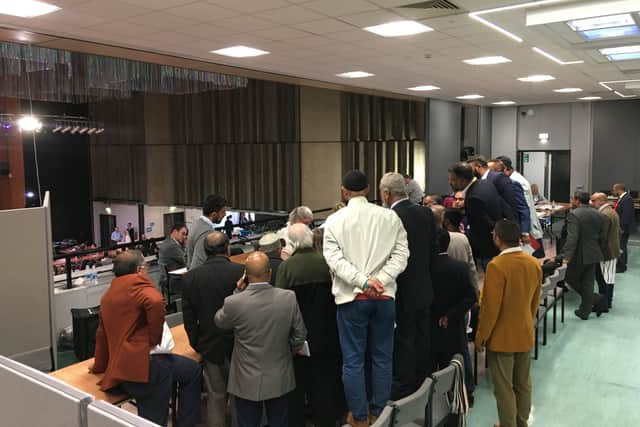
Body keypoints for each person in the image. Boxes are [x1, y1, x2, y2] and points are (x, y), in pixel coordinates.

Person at [323, 170, 409, 427]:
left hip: (351, 299)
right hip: (384, 297)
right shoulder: (390, 217)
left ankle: (359, 417)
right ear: (369, 189)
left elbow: (334, 260)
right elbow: (402, 254)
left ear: (343, 191)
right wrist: (379, 280)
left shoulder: (335, 220)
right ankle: (380, 413)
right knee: (383, 358)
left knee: (353, 361)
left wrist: (362, 282)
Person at [92, 251, 201, 427]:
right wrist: (154, 338)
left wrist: (99, 366)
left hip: (123, 370)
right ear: (139, 269)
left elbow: (102, 336)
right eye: (146, 266)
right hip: (148, 368)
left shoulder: (107, 297)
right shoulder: (139, 286)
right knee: (154, 421)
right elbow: (156, 301)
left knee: (192, 370)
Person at [215, 252, 307, 427]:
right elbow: (300, 334)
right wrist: (289, 351)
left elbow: (219, 321)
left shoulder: (234, 302)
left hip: (245, 379)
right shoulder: (288, 297)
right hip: (280, 374)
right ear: (270, 273)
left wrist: (237, 290)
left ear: (246, 276)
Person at [475, 220, 542, 427]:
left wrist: (481, 337)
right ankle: (521, 422)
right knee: (523, 384)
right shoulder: (533, 263)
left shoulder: (497, 266)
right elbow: (535, 301)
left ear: (497, 238)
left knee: (504, 387)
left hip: (502, 337)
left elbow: (490, 308)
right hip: (525, 332)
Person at [275, 224, 343, 427]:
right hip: (328, 334)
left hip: (298, 339)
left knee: (297, 385)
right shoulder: (327, 262)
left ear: (291, 243)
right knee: (324, 383)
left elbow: (281, 304)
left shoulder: (287, 268)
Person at [379, 172, 436, 399]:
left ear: (386, 193)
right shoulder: (425, 213)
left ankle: (404, 392)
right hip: (424, 287)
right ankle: (424, 385)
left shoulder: (388, 219)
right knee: (422, 338)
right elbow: (432, 252)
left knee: (403, 342)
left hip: (400, 289)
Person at [182, 231, 244, 427]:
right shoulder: (241, 272)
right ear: (227, 248)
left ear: (204, 250)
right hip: (239, 345)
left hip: (209, 346)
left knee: (215, 398)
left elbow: (189, 320)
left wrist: (198, 345)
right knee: (239, 397)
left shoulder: (190, 278)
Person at [431, 229, 477, 400]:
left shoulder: (423, 268)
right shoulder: (459, 267)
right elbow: (470, 296)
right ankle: (464, 394)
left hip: (429, 325)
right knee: (458, 357)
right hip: (453, 323)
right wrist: (451, 315)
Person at [448, 162, 511, 270]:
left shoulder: (473, 198)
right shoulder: (486, 183)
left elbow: (483, 226)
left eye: (453, 180)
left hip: (487, 248)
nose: (450, 182)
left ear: (462, 180)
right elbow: (504, 207)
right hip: (499, 242)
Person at [556, 191, 607, 320]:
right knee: (588, 283)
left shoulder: (574, 215)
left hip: (579, 255)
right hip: (594, 253)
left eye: (573, 199)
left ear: (578, 201)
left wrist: (566, 256)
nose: (572, 202)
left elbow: (572, 238)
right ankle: (585, 311)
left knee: (569, 278)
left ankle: (595, 298)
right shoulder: (598, 214)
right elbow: (602, 235)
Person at [469, 155, 530, 244]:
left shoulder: (501, 179)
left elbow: (512, 207)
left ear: (478, 167)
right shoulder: (478, 182)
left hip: (503, 232)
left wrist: (522, 231)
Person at [493, 156, 545, 257]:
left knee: (528, 255)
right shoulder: (515, 178)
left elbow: (523, 208)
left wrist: (524, 231)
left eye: (496, 171)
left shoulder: (514, 182)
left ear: (506, 169)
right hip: (525, 225)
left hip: (524, 226)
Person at [590, 192, 620, 310]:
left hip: (606, 252)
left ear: (601, 201)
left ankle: (603, 305)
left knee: (604, 279)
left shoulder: (604, 215)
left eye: (593, 201)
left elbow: (602, 237)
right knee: (609, 278)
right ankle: (607, 302)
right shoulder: (611, 211)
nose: (591, 203)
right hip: (612, 250)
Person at [188, 194, 227, 269]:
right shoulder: (206, 232)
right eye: (223, 212)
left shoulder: (196, 224)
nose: (225, 215)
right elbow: (199, 263)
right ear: (214, 214)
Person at [443, 208, 478, 293]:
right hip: (465, 286)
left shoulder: (441, 239)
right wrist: (476, 290)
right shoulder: (464, 238)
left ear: (446, 222)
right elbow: (472, 267)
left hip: (446, 287)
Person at [157, 223, 188, 292]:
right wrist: (186, 246)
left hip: (167, 277)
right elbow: (185, 261)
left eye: (185, 234)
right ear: (175, 232)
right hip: (173, 280)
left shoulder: (167, 241)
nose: (185, 237)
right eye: (183, 234)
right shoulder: (172, 246)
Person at [612, 183, 635, 273]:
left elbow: (626, 215)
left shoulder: (627, 199)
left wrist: (621, 228)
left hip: (623, 228)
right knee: (621, 246)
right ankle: (620, 264)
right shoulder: (623, 198)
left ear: (618, 189)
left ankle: (622, 266)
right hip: (622, 227)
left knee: (622, 247)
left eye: (613, 190)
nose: (613, 191)